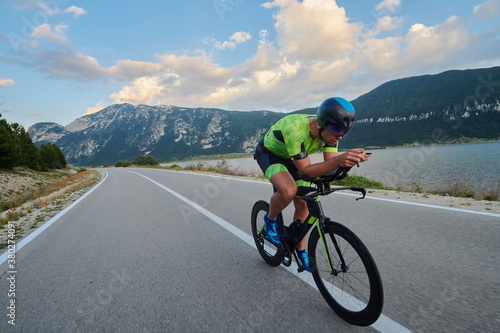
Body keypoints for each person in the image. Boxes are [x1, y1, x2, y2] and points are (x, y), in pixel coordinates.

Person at [254, 97, 371, 272]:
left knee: (304, 202)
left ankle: (300, 251)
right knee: (288, 191)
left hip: (294, 158)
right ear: (320, 124)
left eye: (344, 132)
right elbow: (307, 171)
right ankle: (270, 220)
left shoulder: (331, 132)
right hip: (271, 154)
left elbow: (329, 167)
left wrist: (347, 162)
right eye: (336, 129)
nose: (339, 136)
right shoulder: (296, 131)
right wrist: (339, 160)